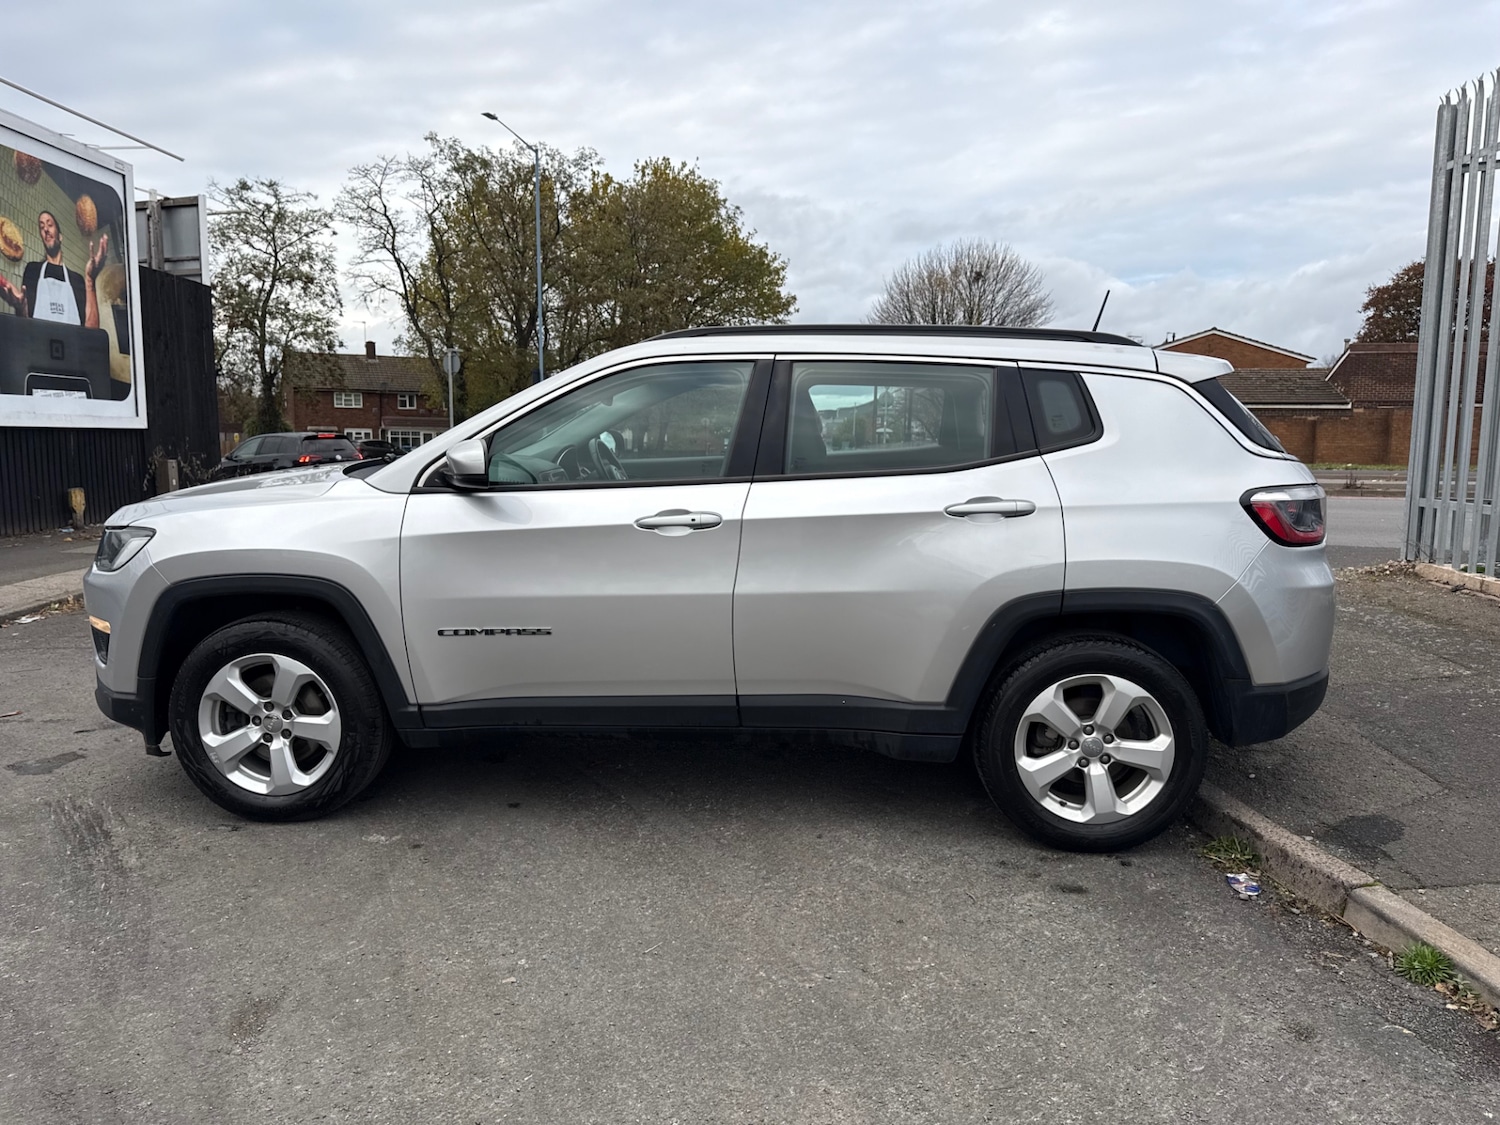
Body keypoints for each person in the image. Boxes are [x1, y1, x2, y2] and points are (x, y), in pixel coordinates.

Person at [0, 210, 108, 328]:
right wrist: (20, 308)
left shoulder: (77, 279)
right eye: (42, 227)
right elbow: (26, 327)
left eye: (50, 224)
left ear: (60, 237)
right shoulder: (33, 271)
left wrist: (90, 280)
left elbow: (91, 330)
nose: (46, 229)